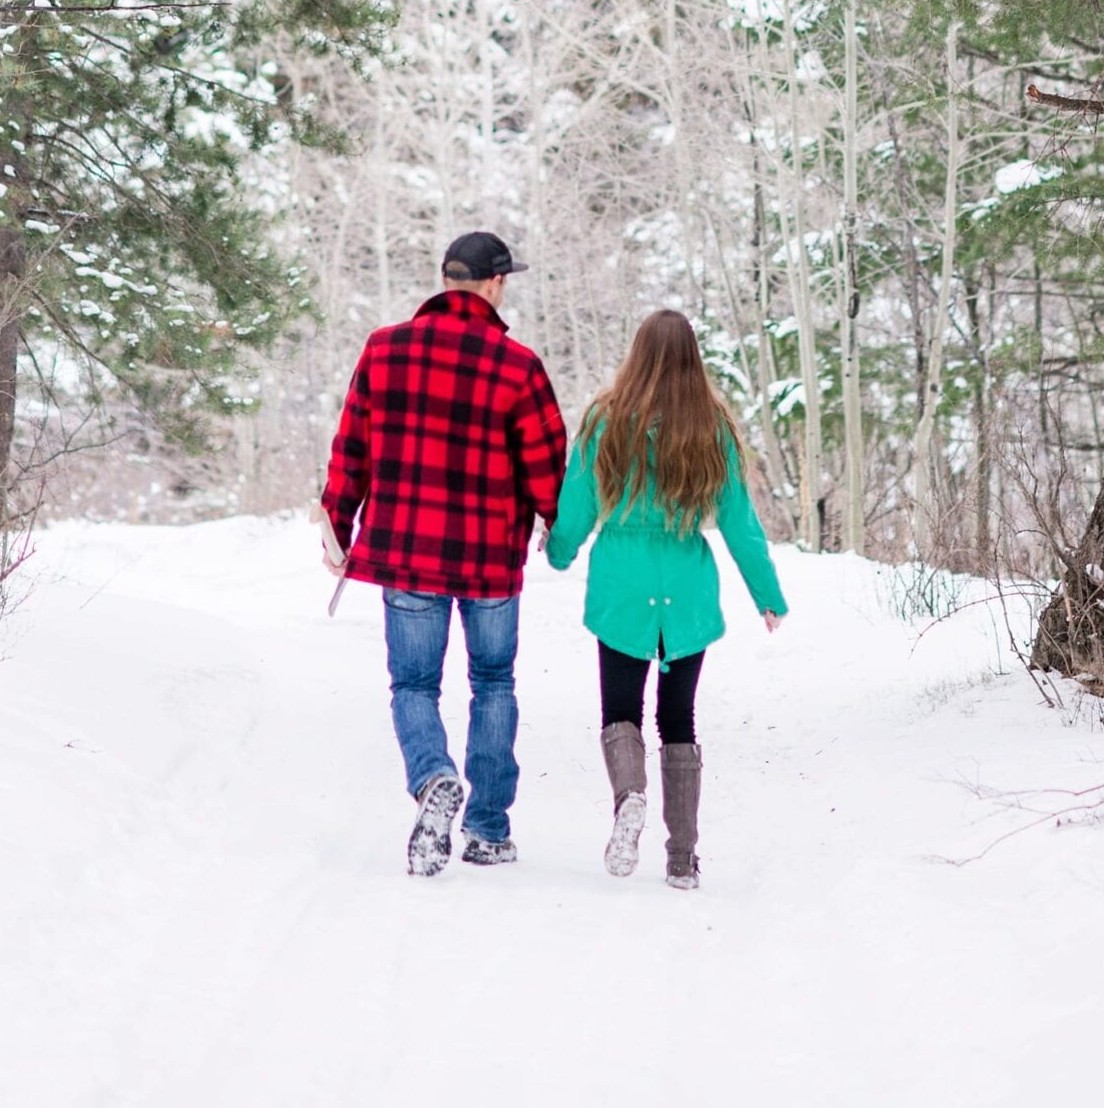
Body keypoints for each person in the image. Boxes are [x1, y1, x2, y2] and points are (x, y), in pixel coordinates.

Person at [322, 230, 567, 878]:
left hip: (406, 549)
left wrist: (338, 525)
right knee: (492, 682)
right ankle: (487, 829)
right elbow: (547, 461)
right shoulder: (517, 365)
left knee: (413, 684)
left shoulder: (383, 350)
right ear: (494, 284)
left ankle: (433, 778)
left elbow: (352, 446)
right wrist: (553, 521)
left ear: (444, 278)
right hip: (489, 558)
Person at [546, 308, 786, 890]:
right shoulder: (712, 427)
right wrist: (767, 594)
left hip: (621, 587)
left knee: (621, 711)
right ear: (692, 359)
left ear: (637, 353)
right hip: (687, 589)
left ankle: (630, 796)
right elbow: (739, 522)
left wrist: (559, 549)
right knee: (678, 717)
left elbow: (575, 504)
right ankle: (682, 858)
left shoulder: (605, 420)